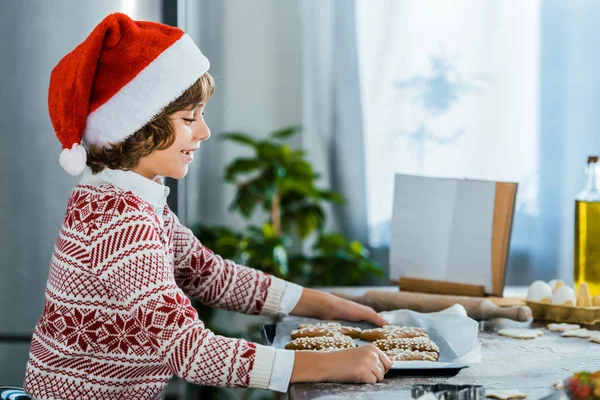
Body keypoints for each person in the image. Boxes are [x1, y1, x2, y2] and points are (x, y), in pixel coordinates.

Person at [23, 13, 392, 400]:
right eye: (189, 118)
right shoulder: (119, 222)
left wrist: (333, 307)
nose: (204, 131)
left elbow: (210, 274)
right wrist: (329, 364)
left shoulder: (128, 199)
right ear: (137, 126)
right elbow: (191, 351)